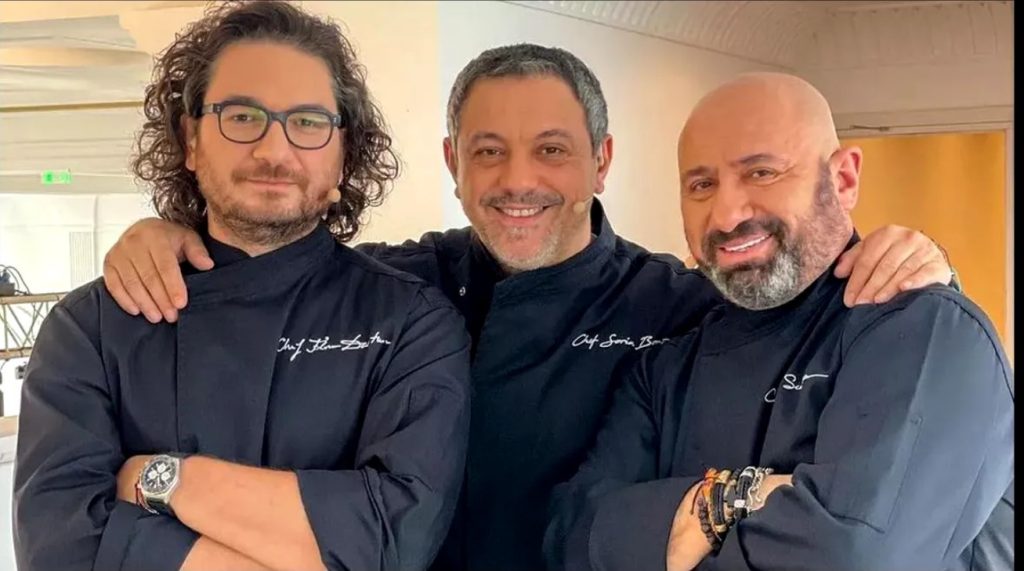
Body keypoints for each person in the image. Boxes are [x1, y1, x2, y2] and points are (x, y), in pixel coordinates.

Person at [99, 38, 957, 571]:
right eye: (488, 151)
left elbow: (789, 297)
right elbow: (276, 266)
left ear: (601, 160)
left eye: (551, 150)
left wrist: (923, 264)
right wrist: (168, 232)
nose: (518, 181)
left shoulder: (678, 302)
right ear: (452, 162)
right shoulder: (400, 284)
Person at [13, 3, 471, 570]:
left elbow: (390, 542)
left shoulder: (410, 321)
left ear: (343, 155)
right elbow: (61, 547)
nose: (273, 151)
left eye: (308, 122)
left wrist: (161, 479)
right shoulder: (91, 327)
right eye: (242, 115)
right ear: (190, 139)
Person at [545, 72, 1013, 571]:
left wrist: (665, 533)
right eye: (702, 185)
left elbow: (850, 558)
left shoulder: (926, 331)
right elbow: (574, 537)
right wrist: (733, 499)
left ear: (843, 180)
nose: (726, 215)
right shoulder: (664, 366)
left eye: (761, 173)